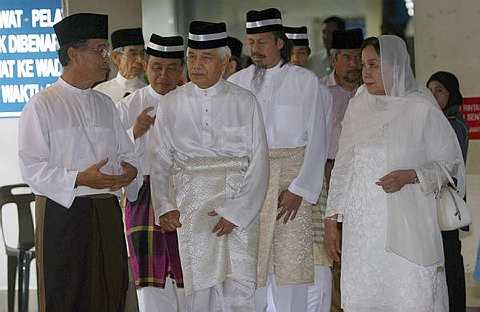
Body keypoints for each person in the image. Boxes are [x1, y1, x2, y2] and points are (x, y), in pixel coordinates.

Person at [324, 35, 465, 312]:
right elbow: (343, 165)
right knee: (366, 296)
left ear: (395, 65)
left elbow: (450, 164)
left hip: (408, 223)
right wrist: (331, 218)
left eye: (374, 64)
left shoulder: (420, 106)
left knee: (410, 296)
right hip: (363, 227)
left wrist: (411, 175)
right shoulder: (358, 103)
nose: (366, 72)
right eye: (364, 65)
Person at [18, 13, 139, 312]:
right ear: (73, 54)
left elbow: (128, 153)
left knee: (111, 290)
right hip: (64, 212)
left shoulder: (105, 104)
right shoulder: (43, 104)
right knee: (68, 293)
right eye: (99, 50)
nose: (106, 58)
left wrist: (130, 171)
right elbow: (32, 167)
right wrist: (80, 178)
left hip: (107, 210)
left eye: (106, 50)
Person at [150, 21, 269, 312]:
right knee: (199, 290)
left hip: (238, 204)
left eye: (205, 58)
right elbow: (160, 160)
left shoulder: (245, 101)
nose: (196, 65)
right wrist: (165, 205)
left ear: (225, 62)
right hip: (192, 206)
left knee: (239, 288)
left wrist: (238, 212)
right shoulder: (171, 103)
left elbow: (259, 163)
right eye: (191, 57)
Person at [229, 8, 332, 312]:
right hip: (251, 186)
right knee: (251, 270)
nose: (255, 49)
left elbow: (317, 140)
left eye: (262, 42)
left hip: (292, 187)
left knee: (291, 270)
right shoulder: (238, 82)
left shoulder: (305, 81)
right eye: (250, 42)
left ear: (279, 42)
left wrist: (300, 189)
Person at [116, 34, 186, 312]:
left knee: (187, 277)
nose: (163, 75)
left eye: (171, 68)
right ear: (146, 66)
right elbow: (113, 155)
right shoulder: (127, 105)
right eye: (157, 66)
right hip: (142, 195)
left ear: (182, 69)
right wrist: (136, 131)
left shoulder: (192, 101)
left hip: (185, 194)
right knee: (149, 281)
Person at [306, 28, 363, 312]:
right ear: (333, 59)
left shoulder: (373, 93)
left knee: (362, 249)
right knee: (333, 250)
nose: (354, 64)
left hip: (364, 180)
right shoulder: (318, 90)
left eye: (358, 58)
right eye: (348, 57)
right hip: (327, 176)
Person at [427, 71, 469, 312]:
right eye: (430, 90)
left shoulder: (454, 124)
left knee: (450, 262)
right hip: (434, 206)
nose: (433, 95)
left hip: (446, 205)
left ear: (451, 94)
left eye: (440, 90)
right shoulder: (434, 121)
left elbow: (451, 167)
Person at [95, 27, 147, 102]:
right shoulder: (100, 92)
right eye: (133, 54)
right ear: (116, 57)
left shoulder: (149, 92)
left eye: (142, 53)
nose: (140, 60)